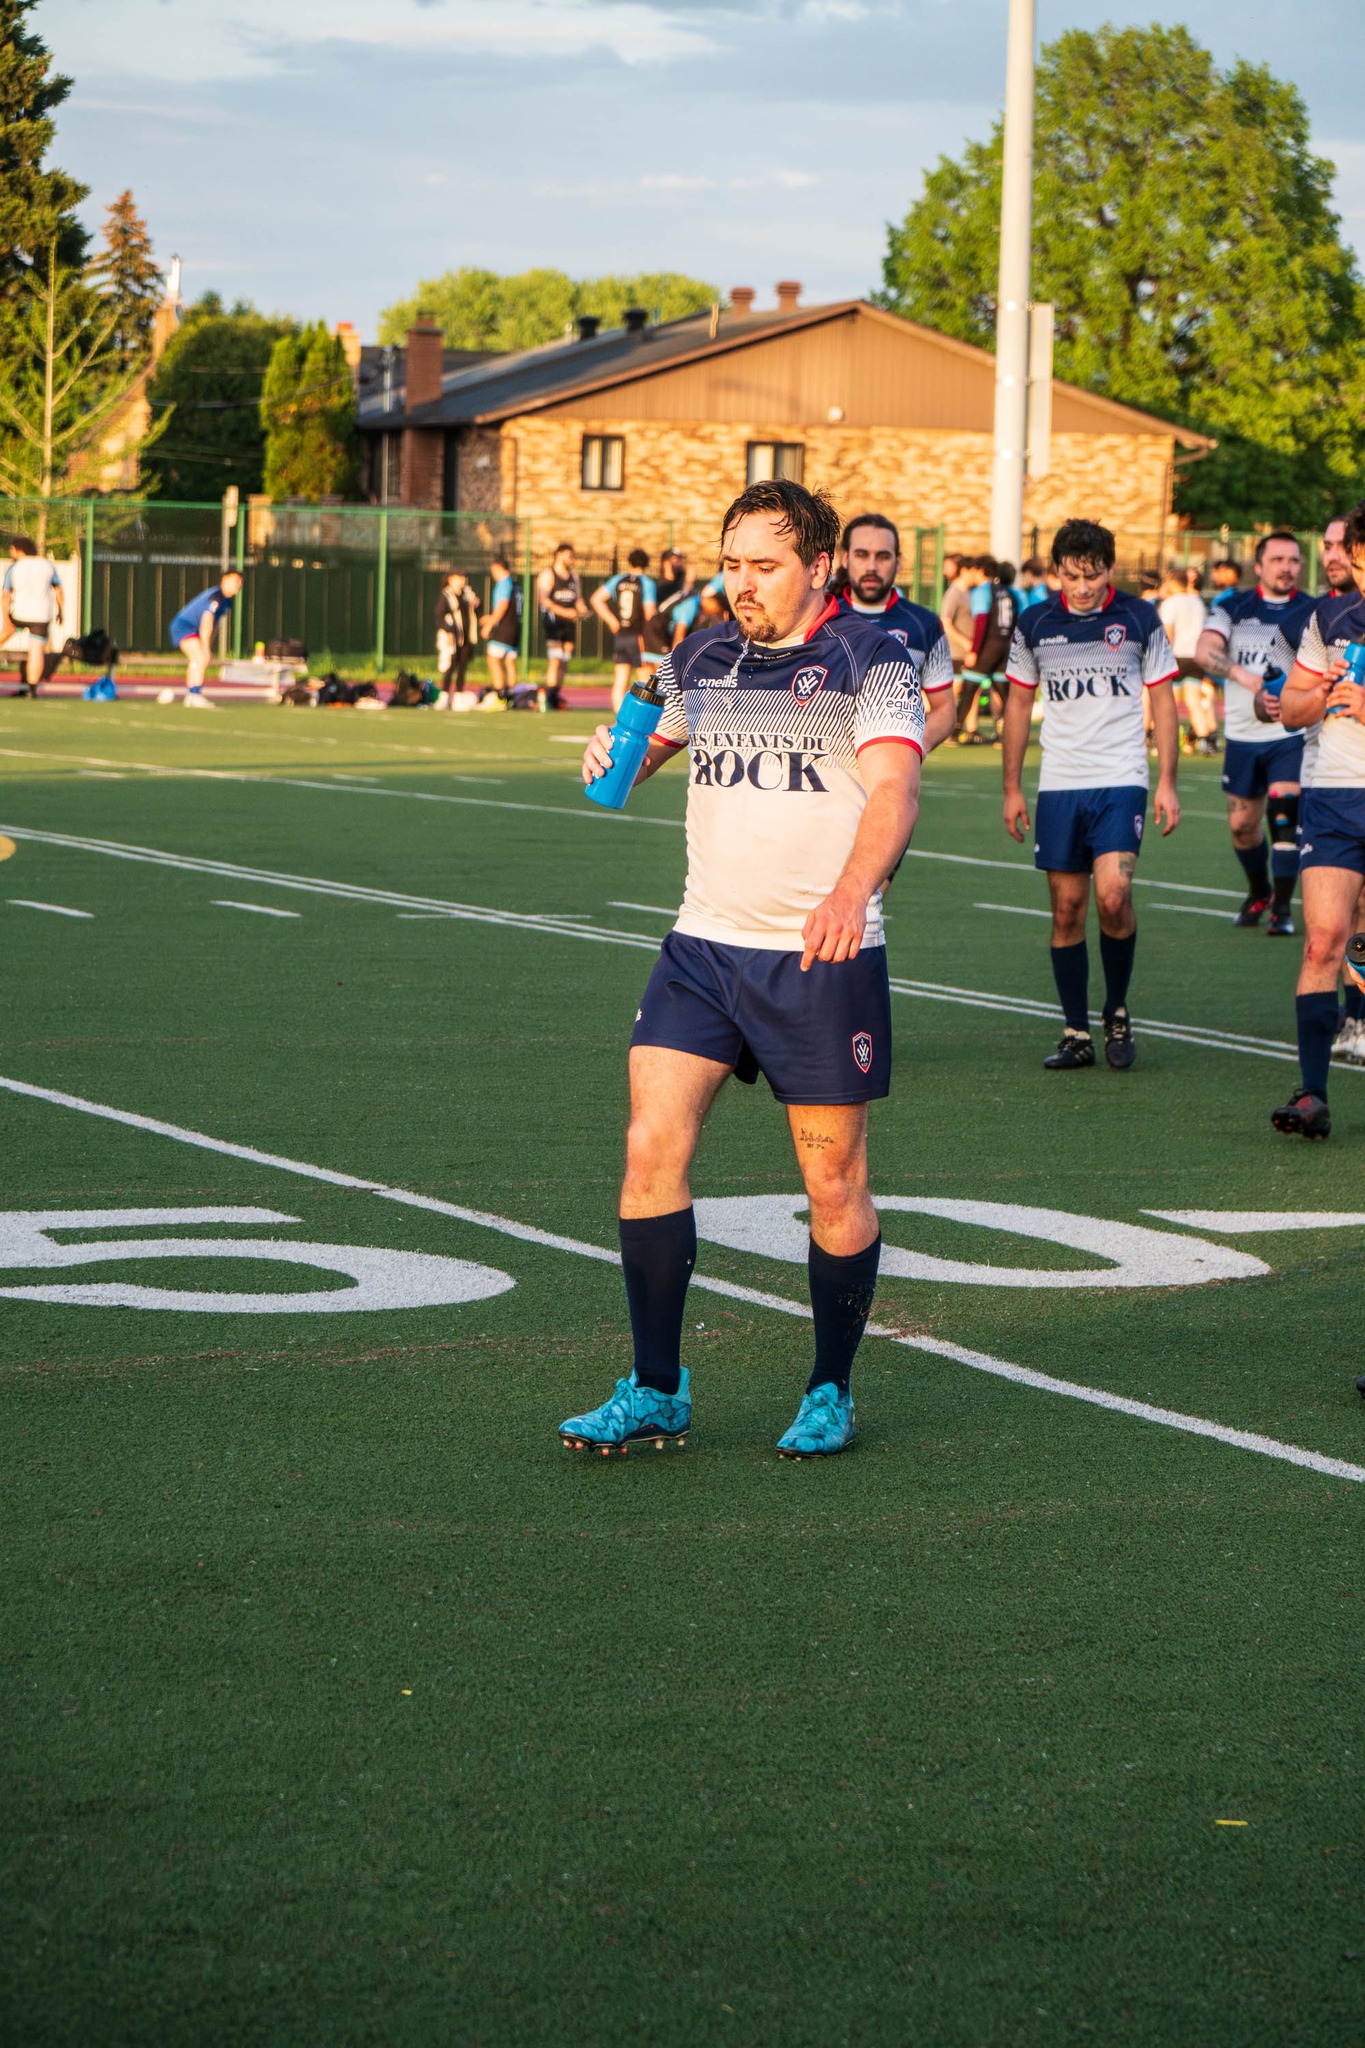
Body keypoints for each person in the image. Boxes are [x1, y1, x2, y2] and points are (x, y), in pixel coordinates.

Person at [562, 478, 923, 1460]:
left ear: (820, 567)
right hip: (704, 947)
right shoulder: (701, 654)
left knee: (834, 1181)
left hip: (821, 955)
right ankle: (655, 1383)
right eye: (730, 563)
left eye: (763, 565)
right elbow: (626, 773)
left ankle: (829, 1387)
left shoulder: (872, 660)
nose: (741, 583)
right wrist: (611, 752)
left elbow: (893, 793)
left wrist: (852, 890)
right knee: (649, 1147)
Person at [1001, 517, 1181, 1071]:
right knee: (1067, 909)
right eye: (1074, 576)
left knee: (1112, 897)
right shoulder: (1034, 624)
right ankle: (1076, 1031)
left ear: (1109, 569)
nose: (1084, 587)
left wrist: (1168, 781)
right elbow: (1016, 706)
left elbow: (1165, 700)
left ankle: (1117, 1010)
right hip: (1060, 783)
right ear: (1056, 572)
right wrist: (1011, 786)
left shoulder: (1137, 617)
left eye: (1095, 575)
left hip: (1121, 778)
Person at [1270, 501, 1365, 1138]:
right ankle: (1311, 1094)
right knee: (1323, 939)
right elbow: (1289, 708)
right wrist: (1322, 693)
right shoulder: (1330, 615)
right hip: (1333, 793)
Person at [1195, 531, 1314, 936]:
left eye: (1294, 560)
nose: (1287, 567)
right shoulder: (1232, 605)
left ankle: (1282, 908)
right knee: (1242, 827)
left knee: (1284, 817)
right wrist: (1244, 676)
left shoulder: (1313, 611)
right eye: (1278, 559)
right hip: (1243, 737)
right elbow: (1204, 650)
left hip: (1291, 735)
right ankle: (1259, 891)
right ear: (1259, 565)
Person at [835, 512, 956, 752]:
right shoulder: (821, 618)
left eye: (883, 556)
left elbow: (944, 708)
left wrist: (913, 750)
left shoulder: (925, 625)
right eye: (862, 555)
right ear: (845, 559)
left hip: (893, 775)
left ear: (898, 562)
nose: (872, 566)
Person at [1315, 517, 1365, 1064]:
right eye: (1330, 546)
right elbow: (1286, 697)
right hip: (1329, 778)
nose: (1338, 555)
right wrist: (1277, 699)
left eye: (1343, 545)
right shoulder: (1325, 617)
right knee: (1338, 921)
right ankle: (1352, 1013)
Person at [1157, 568, 1214, 756]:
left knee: (1170, 703)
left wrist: (1164, 659)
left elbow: (1168, 633)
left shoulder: (1171, 603)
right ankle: (1205, 740)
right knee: (1194, 701)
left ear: (1173, 582)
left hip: (1176, 656)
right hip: (1196, 656)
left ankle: (1167, 741)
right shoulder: (1197, 602)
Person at [591, 548, 656, 712]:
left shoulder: (618, 580)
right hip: (638, 636)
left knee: (620, 680)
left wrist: (612, 620)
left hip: (620, 635)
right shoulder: (647, 583)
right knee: (645, 680)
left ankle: (619, 719)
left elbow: (596, 599)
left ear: (629, 562)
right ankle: (644, 719)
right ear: (646, 564)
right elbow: (649, 613)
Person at [167, 569, 243, 707]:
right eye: (234, 580)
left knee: (197, 659)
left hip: (192, 630)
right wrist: (206, 647)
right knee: (202, 657)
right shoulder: (217, 597)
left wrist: (207, 644)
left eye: (239, 581)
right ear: (224, 581)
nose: (238, 584)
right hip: (184, 627)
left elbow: (213, 625)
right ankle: (195, 694)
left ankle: (191, 695)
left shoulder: (226, 601)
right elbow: (206, 622)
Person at [2, 536, 63, 697]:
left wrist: (7, 620)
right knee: (36, 651)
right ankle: (32, 689)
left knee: (6, 631)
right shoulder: (47, 565)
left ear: (19, 550)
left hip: (19, 614)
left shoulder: (15, 567)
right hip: (41, 616)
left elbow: (6, 596)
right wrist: (61, 611)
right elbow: (58, 589)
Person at [971, 558, 1020, 746]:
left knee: (970, 686)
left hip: (990, 646)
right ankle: (1005, 730)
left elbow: (981, 621)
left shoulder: (984, 592)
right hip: (1008, 646)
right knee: (1001, 689)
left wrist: (975, 650)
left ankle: (961, 728)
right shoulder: (1014, 594)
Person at [536, 541, 587, 712]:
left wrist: (582, 608)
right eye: (568, 555)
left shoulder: (574, 576)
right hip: (554, 622)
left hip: (569, 623)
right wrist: (564, 612)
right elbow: (543, 600)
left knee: (565, 660)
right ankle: (549, 695)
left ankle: (556, 693)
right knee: (555, 659)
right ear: (558, 555)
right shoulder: (548, 575)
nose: (571, 559)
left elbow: (577, 597)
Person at [480, 555, 522, 700]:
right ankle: (511, 694)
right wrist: (490, 617)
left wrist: (490, 624)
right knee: (509, 661)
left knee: (493, 658)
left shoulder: (504, 583)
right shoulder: (515, 584)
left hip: (504, 629)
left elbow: (503, 605)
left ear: (498, 568)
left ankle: (499, 693)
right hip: (515, 628)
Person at [435, 570, 478, 702]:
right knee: (450, 666)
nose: (462, 580)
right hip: (452, 637)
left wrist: (476, 603)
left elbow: (474, 612)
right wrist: (447, 631)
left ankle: (459, 694)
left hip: (465, 636)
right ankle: (444, 695)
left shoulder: (467, 594)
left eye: (463, 577)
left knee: (462, 665)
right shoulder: (446, 595)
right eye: (459, 577)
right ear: (451, 578)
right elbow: (439, 616)